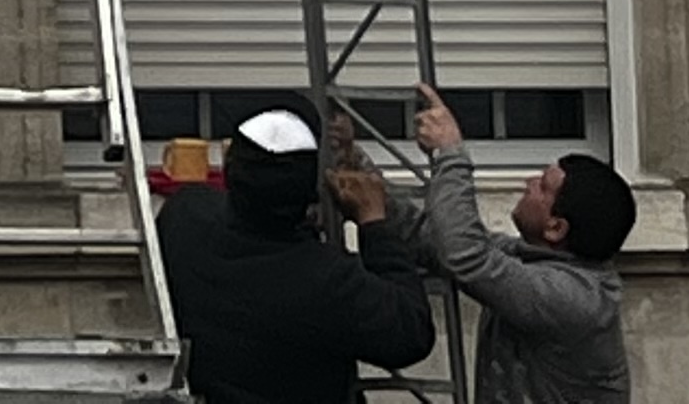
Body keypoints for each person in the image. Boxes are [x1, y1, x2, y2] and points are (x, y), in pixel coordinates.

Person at [349, 84, 635, 404]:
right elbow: (432, 239)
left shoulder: (573, 298)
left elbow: (466, 256)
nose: (528, 184)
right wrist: (354, 163)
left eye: (542, 187)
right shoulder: (532, 260)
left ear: (556, 228)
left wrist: (450, 153)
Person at [153, 104, 439, 404]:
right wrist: (374, 223)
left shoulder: (184, 217)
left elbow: (234, 213)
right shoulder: (326, 279)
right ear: (312, 190)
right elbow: (410, 333)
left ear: (229, 170)